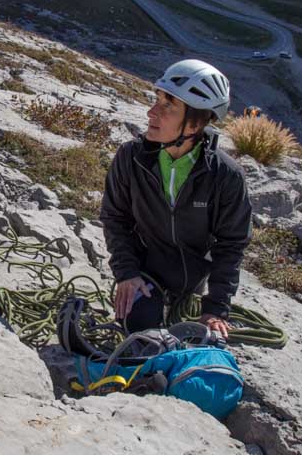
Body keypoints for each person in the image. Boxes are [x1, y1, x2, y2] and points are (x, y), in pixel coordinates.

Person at [99, 59, 252, 339]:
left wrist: (216, 308)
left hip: (193, 278)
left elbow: (231, 244)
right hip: (146, 272)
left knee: (195, 338)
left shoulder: (225, 175)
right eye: (156, 100)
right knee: (139, 327)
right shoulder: (131, 158)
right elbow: (115, 217)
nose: (151, 112)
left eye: (168, 105)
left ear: (195, 122)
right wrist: (127, 273)